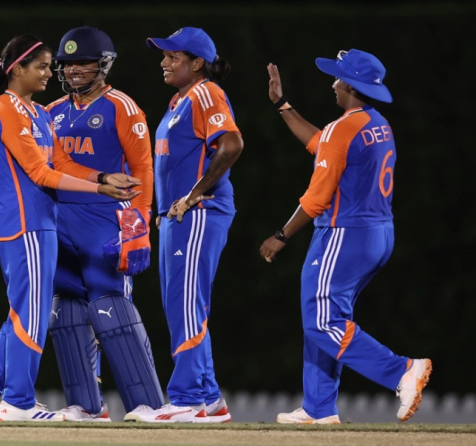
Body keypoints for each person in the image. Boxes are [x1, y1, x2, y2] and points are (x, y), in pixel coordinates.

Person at [0, 34, 141, 422]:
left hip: (39, 225)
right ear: (17, 69)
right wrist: (100, 189)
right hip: (24, 226)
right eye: (40, 66)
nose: (48, 73)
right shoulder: (7, 108)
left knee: (24, 311)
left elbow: (61, 162)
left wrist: (103, 176)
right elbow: (40, 173)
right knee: (33, 316)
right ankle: (18, 403)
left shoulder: (37, 112)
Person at [260, 49, 432, 424]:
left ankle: (402, 370)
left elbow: (317, 198)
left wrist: (281, 235)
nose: (333, 84)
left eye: (338, 78)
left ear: (351, 86)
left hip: (345, 235)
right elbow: (322, 143)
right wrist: (282, 105)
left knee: (321, 321)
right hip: (377, 234)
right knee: (327, 317)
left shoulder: (344, 128)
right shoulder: (377, 123)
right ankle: (319, 408)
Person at [45, 26, 164, 422]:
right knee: (66, 313)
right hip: (61, 219)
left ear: (103, 65)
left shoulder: (121, 106)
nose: (74, 70)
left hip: (104, 219)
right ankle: (86, 405)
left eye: (83, 62)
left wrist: (138, 223)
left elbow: (143, 168)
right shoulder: (51, 111)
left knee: (110, 307)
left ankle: (148, 404)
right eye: (68, 63)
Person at [127, 27, 243, 423]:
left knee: (184, 303)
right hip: (178, 218)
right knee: (184, 303)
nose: (164, 62)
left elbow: (232, 144)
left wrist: (194, 194)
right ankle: (208, 398)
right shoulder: (181, 100)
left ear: (197, 63)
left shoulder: (206, 93)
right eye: (164, 56)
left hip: (198, 214)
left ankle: (188, 398)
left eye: (173, 56)